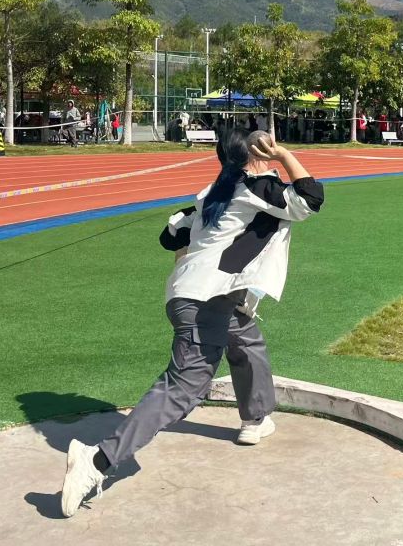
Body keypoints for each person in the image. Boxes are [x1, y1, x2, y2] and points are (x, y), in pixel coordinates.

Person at [59, 129, 325, 518]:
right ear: (257, 154)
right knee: (183, 388)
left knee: (245, 340)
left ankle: (255, 417)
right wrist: (284, 155)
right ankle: (98, 460)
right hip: (206, 300)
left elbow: (170, 235)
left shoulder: (212, 194)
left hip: (200, 295)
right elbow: (309, 199)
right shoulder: (258, 187)